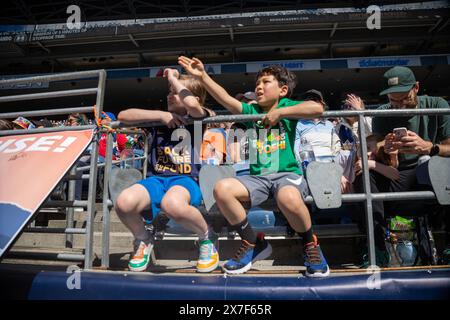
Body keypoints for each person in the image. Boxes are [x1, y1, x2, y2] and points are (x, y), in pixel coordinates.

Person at [179, 56, 329, 277]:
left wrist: (280, 112)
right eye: (257, 84)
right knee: (222, 189)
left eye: (266, 82)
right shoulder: (252, 111)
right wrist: (203, 77)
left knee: (288, 196)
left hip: (286, 174)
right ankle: (252, 242)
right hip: (257, 178)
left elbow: (317, 108)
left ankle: (310, 245)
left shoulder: (288, 106)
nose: (259, 87)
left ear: (283, 90)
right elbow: (227, 101)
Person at [115, 68, 219, 273]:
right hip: (156, 179)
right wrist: (162, 115)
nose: (170, 94)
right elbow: (122, 115)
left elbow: (192, 105)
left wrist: (173, 77)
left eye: (177, 91)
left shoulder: (198, 117)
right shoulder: (158, 119)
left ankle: (207, 237)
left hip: (186, 179)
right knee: (123, 202)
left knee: (172, 204)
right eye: (169, 91)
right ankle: (143, 239)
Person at [354, 66, 450, 266]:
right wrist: (386, 150)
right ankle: (377, 250)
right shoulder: (382, 113)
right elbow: (377, 151)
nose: (399, 105)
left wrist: (428, 147)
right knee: (364, 176)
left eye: (404, 98)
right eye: (393, 100)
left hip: (431, 172)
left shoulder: (436, 104)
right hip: (397, 175)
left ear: (416, 88)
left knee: (444, 167)